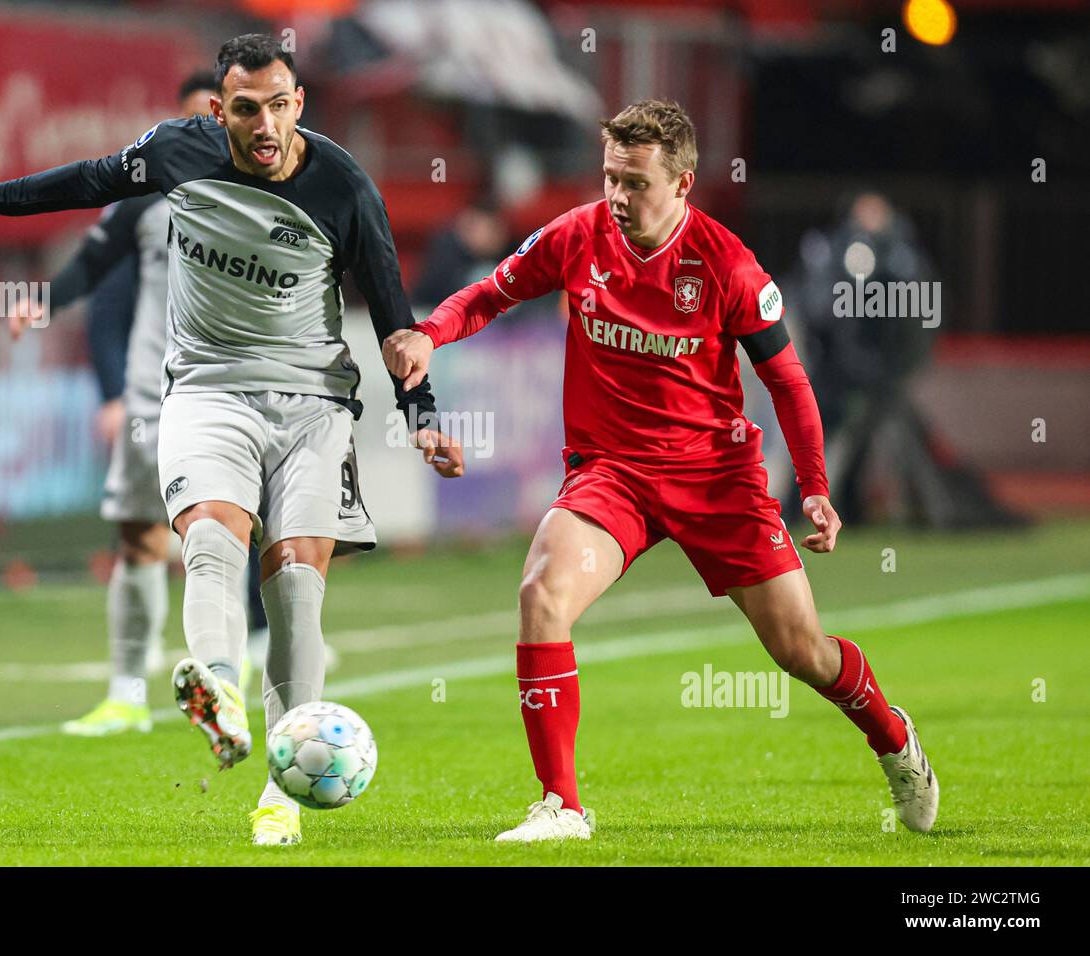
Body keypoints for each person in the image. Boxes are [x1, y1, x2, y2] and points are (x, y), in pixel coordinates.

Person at [0, 33, 462, 846]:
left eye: (277, 104)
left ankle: (281, 796)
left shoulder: (343, 185)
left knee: (296, 588)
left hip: (312, 406)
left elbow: (396, 319)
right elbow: (84, 182)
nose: (263, 125)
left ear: (299, 101)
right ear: (218, 111)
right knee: (209, 538)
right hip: (206, 389)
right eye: (244, 109)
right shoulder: (177, 152)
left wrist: (425, 420)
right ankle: (218, 692)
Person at [383, 100, 938, 841]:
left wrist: (813, 487)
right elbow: (491, 294)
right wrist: (429, 333)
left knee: (802, 652)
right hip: (611, 473)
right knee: (542, 594)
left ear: (682, 183)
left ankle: (892, 737)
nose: (616, 196)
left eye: (634, 183)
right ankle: (561, 807)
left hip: (717, 479)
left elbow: (788, 382)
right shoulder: (578, 235)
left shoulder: (727, 262)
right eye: (610, 177)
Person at [7, 71, 220, 737]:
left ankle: (232, 676)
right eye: (188, 121)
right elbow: (91, 264)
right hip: (153, 395)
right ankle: (128, 694)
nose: (198, 134)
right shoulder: (145, 196)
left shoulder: (268, 199)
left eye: (212, 120)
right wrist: (43, 300)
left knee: (228, 540)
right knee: (139, 538)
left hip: (232, 394)